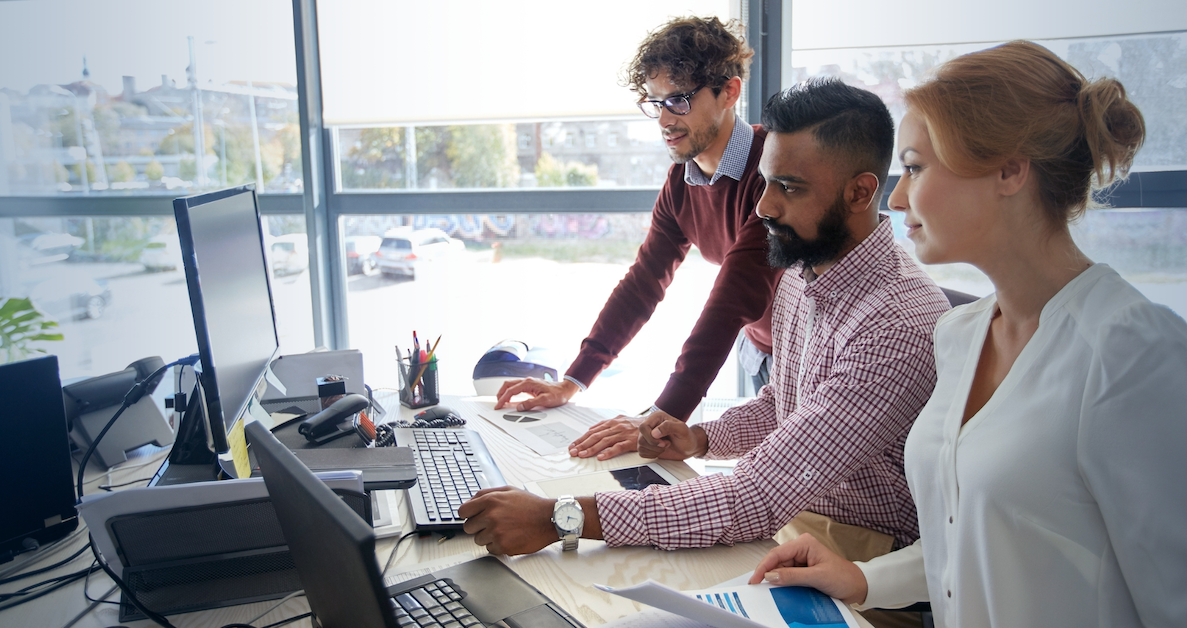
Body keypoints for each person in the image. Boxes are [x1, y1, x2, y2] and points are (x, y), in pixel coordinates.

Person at [747, 41, 1187, 628]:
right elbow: (973, 535)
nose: (897, 197)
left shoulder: (1131, 350)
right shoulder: (961, 334)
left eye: (915, 167)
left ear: (1009, 169)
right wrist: (866, 578)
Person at [460, 78, 949, 565]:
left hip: (863, 552)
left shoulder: (899, 326)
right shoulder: (804, 273)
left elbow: (757, 497)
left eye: (789, 188)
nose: (764, 206)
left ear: (861, 192)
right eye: (765, 182)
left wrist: (558, 518)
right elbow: (784, 404)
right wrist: (701, 438)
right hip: (794, 518)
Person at [493, 17, 783, 456]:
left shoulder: (772, 170)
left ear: (730, 92)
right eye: (656, 102)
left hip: (810, 349)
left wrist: (661, 417)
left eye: (679, 100)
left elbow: (734, 297)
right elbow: (643, 283)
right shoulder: (681, 182)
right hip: (760, 349)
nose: (665, 119)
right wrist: (575, 379)